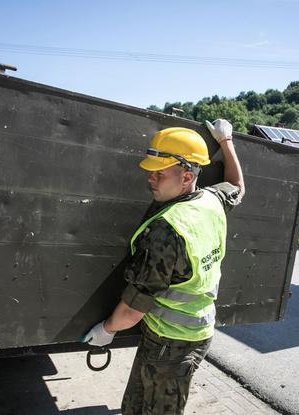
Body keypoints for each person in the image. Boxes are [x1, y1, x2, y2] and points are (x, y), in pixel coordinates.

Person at [82, 119, 244, 415]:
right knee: (134, 407)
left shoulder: (166, 231)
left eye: (160, 173)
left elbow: (132, 311)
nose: (151, 179)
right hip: (181, 336)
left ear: (186, 177)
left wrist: (106, 330)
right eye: (150, 172)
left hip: (172, 343)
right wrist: (226, 142)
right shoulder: (212, 200)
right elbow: (237, 185)